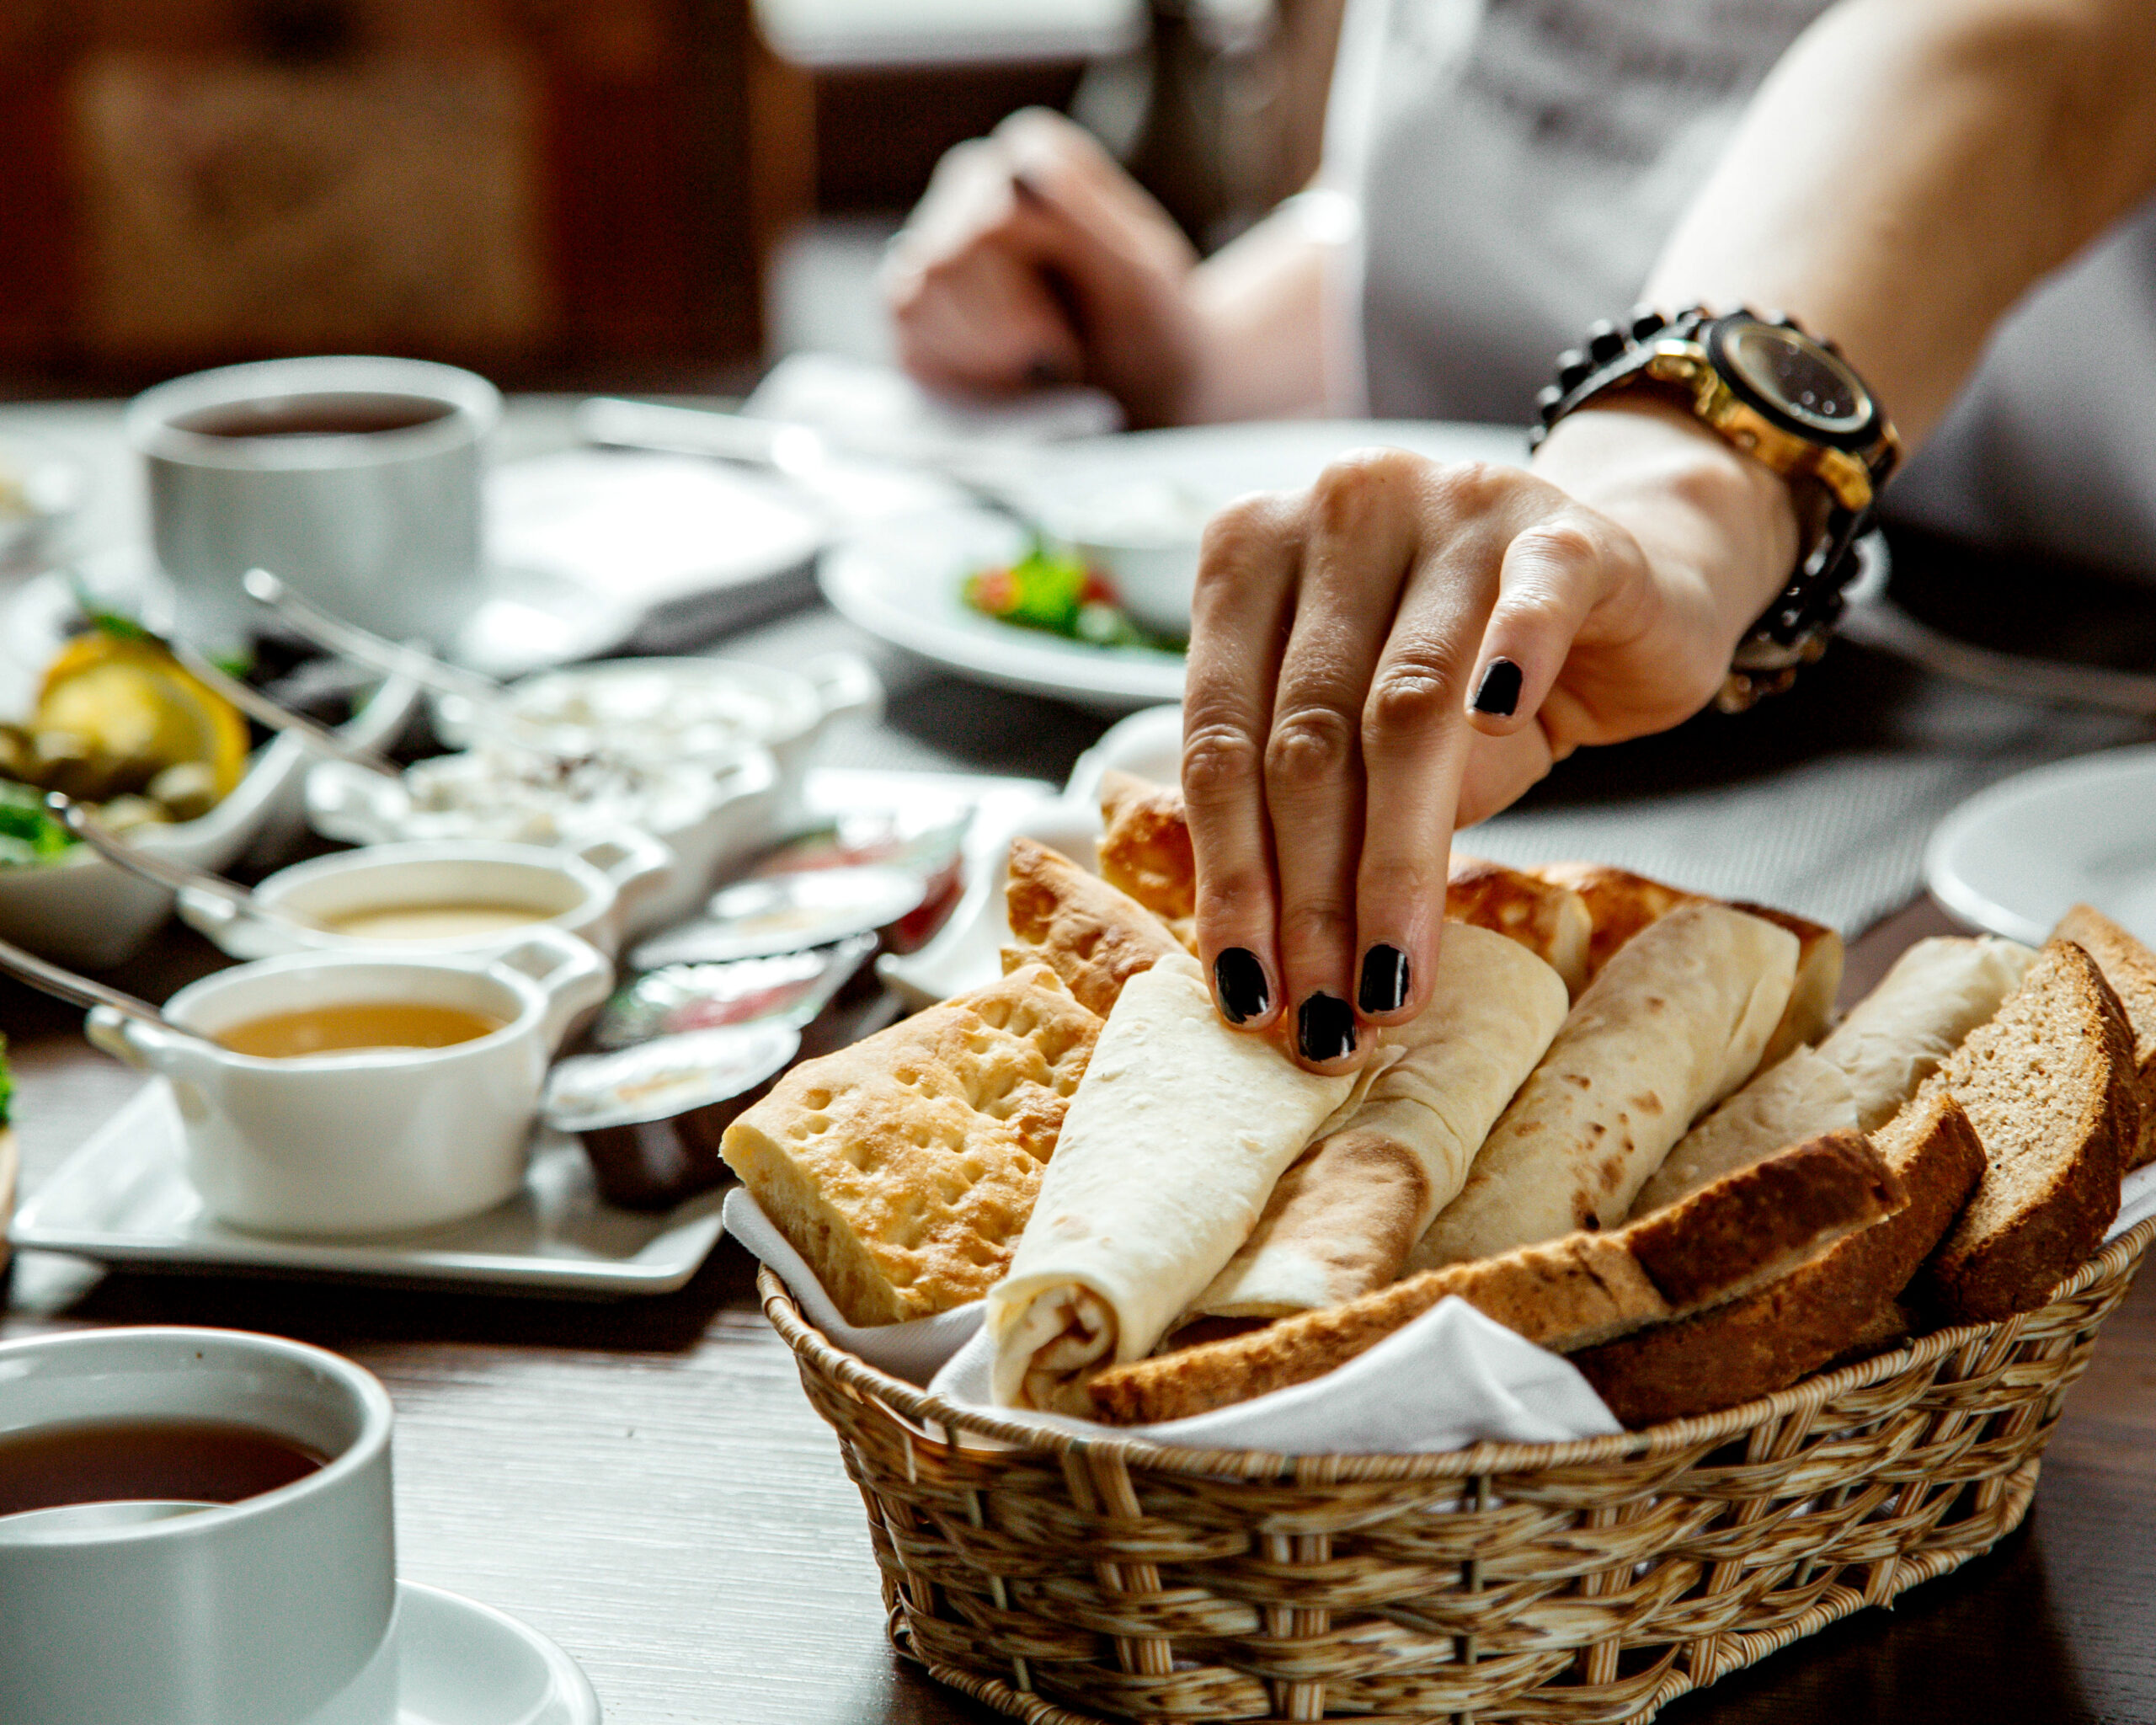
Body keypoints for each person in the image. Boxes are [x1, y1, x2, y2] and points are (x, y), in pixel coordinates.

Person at [882, 0, 2156, 1069]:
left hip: (2054, 773)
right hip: (1533, 746)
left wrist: (1672, 482)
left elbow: (2036, 59)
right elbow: (1516, 178)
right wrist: (1193, 349)